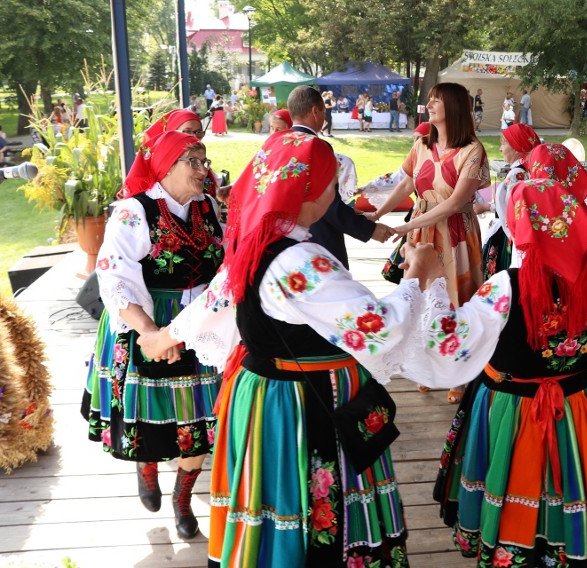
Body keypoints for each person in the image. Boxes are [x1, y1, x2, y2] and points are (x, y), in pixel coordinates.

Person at [136, 132, 412, 567]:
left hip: (264, 397)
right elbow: (378, 327)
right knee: (312, 497)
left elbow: (213, 301)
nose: (333, 193)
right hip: (303, 403)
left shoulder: (257, 241)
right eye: (330, 185)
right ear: (310, 190)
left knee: (272, 495)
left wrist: (159, 339)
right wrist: (419, 278)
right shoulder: (299, 261)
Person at [406, 177, 587, 567]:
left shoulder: (505, 286)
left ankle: (520, 549)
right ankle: (576, 547)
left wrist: (432, 278)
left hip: (517, 413)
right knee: (577, 483)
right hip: (583, 411)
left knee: (519, 488)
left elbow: (445, 343)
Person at [80, 131, 224, 541]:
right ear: (167, 165)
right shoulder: (133, 212)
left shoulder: (209, 206)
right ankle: (146, 470)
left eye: (204, 161)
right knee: (151, 408)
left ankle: (183, 496)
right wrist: (150, 332)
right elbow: (114, 277)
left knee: (201, 414)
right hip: (151, 319)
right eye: (193, 161)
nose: (203, 170)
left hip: (201, 324)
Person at [364, 82, 490, 404]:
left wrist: (404, 227)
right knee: (421, 298)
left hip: (455, 235)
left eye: (436, 101)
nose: (429, 105)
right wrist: (378, 212)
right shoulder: (421, 144)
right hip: (422, 233)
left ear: (455, 107)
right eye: (430, 100)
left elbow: (453, 204)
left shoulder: (472, 151)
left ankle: (458, 374)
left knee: (455, 299)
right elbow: (406, 183)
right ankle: (426, 366)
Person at [288, 86, 394, 268]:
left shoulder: (276, 142)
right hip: (316, 238)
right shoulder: (316, 146)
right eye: (323, 111)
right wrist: (369, 230)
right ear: (315, 111)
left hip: (285, 239)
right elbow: (328, 202)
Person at [476, 124, 540, 280]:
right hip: (505, 233)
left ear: (517, 147)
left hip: (506, 236)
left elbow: (514, 209)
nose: (500, 149)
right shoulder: (521, 172)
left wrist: (486, 206)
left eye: (504, 144)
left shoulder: (518, 174)